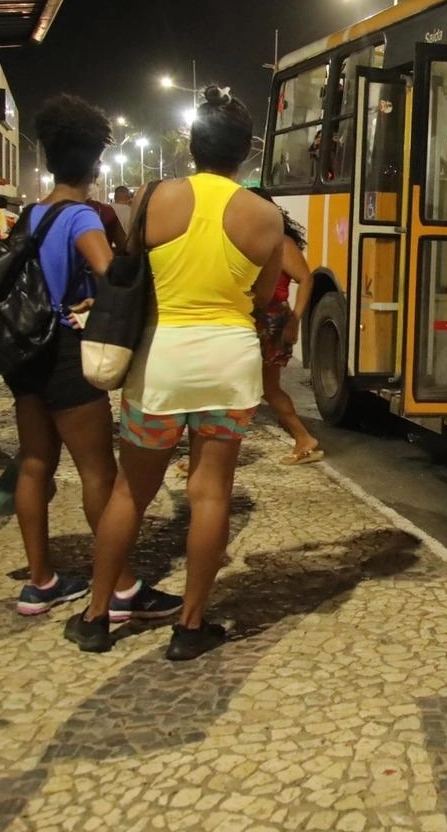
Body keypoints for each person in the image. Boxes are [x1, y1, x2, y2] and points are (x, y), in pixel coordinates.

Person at [66, 86, 283, 660]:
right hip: (229, 363)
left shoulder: (154, 195)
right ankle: (190, 627)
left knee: (131, 492)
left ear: (192, 146)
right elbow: (262, 298)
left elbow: (131, 270)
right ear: (246, 153)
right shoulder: (267, 216)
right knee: (211, 494)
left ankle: (95, 616)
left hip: (162, 361)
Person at [4, 95, 179, 620]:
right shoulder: (80, 215)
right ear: (94, 162)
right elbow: (113, 277)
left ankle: (41, 581)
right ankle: (122, 587)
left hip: (23, 351)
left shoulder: (31, 213)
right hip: (62, 352)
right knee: (99, 473)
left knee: (34, 463)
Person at [256, 193, 322, 465]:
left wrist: (295, 318)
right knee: (263, 387)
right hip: (259, 317)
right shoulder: (255, 239)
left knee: (261, 387)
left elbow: (306, 279)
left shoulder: (281, 242)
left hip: (271, 319)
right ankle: (303, 438)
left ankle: (304, 438)